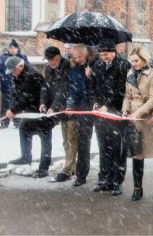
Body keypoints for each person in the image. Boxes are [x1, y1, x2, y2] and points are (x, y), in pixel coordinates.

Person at [122, 47, 153, 201]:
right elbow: (127, 96)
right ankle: (137, 188)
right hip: (135, 120)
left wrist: (137, 113)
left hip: (150, 119)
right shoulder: (129, 74)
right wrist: (125, 110)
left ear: (144, 59)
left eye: (136, 60)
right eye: (132, 61)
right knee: (137, 153)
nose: (133, 63)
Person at [89, 38, 131, 195]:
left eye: (106, 54)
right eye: (101, 54)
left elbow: (122, 90)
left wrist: (108, 105)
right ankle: (104, 179)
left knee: (117, 149)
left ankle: (117, 181)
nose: (104, 57)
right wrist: (95, 103)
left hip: (116, 114)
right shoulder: (97, 65)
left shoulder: (123, 65)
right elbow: (92, 87)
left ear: (114, 52)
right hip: (101, 115)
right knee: (103, 148)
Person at [5, 56, 56, 178]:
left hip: (42, 111)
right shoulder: (19, 76)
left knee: (45, 138)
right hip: (30, 112)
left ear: (20, 66)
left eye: (13, 70)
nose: (12, 73)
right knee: (23, 129)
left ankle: (44, 167)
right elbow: (15, 94)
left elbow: (26, 96)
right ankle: (25, 157)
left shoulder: (33, 75)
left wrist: (13, 110)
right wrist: (12, 108)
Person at [40, 46, 78, 182]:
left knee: (71, 140)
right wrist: (43, 103)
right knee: (65, 141)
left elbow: (63, 89)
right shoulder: (48, 69)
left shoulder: (67, 67)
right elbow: (45, 88)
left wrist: (54, 107)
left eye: (53, 60)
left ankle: (67, 170)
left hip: (70, 108)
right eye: (49, 60)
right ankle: (71, 167)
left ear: (59, 57)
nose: (51, 63)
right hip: (61, 111)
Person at [66, 44, 97, 187]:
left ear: (87, 54)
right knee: (83, 143)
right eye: (75, 57)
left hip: (97, 107)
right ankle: (81, 174)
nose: (78, 59)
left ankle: (106, 174)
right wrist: (70, 105)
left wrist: (90, 76)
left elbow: (98, 88)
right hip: (83, 110)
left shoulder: (96, 65)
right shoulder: (73, 70)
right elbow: (73, 90)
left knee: (106, 144)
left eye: (80, 57)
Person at [0, 39, 29, 129]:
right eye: (11, 48)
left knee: (18, 104)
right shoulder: (3, 57)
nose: (12, 50)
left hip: (19, 86)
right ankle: (4, 122)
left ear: (17, 49)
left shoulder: (22, 57)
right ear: (8, 49)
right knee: (5, 105)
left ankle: (18, 122)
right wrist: (2, 78)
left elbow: (28, 68)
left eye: (14, 48)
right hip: (6, 85)